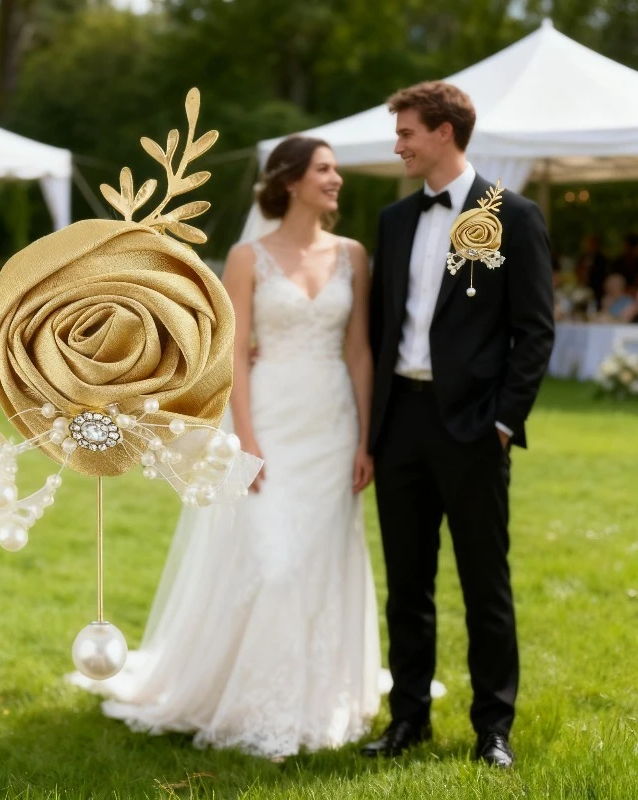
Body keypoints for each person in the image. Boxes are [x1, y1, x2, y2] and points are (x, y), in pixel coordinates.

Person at [69, 136, 384, 759]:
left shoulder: (353, 255)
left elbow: (359, 350)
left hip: (333, 425)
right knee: (272, 559)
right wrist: (246, 436)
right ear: (290, 181)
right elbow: (233, 354)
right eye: (325, 170)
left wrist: (366, 438)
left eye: (336, 171)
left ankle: (312, 700)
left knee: (318, 558)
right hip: (267, 416)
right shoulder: (246, 257)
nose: (336, 180)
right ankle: (248, 698)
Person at [363, 81, 554, 768]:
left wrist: (504, 422)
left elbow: (534, 332)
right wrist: (373, 430)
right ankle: (407, 718)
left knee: (485, 584)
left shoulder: (513, 215)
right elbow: (385, 329)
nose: (398, 144)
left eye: (408, 132)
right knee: (407, 584)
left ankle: (492, 730)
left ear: (444, 132)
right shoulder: (392, 221)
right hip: (401, 424)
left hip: (474, 427)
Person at [574, 235, 609, 309]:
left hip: (598, 290)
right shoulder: (582, 258)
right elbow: (577, 272)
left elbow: (604, 275)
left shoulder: (602, 259)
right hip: (584, 288)